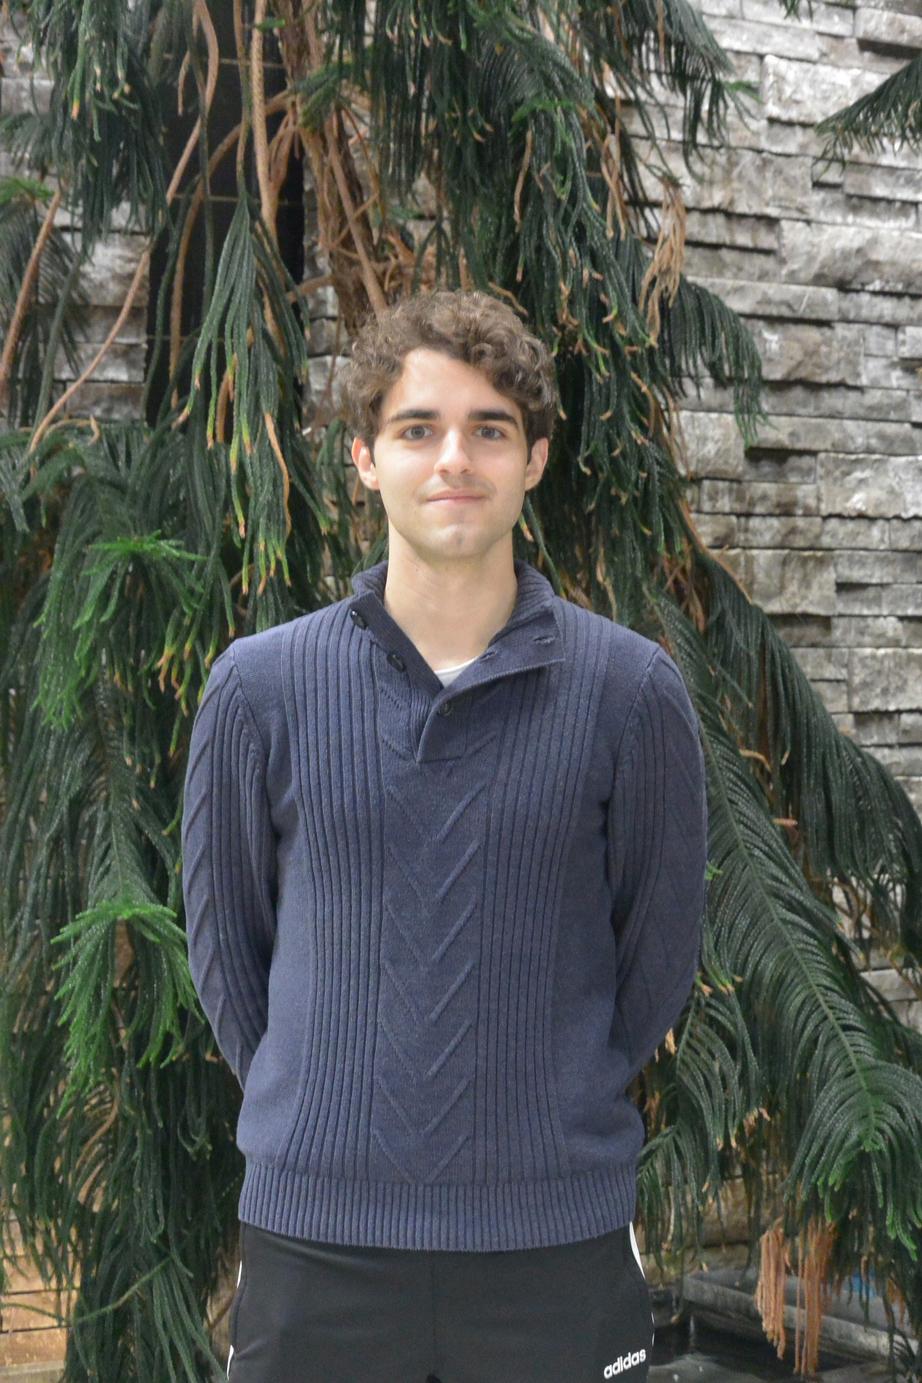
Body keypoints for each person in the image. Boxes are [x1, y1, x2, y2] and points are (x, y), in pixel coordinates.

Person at [180, 288, 709, 1382]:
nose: (454, 459)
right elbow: (229, 958)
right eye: (417, 429)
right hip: (316, 1244)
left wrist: (542, 1103)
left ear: (536, 460)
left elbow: (655, 960)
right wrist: (324, 1112)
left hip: (552, 1242)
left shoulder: (629, 693)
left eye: (490, 430)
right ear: (365, 460)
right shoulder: (260, 688)